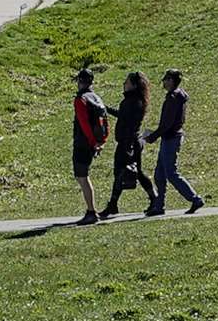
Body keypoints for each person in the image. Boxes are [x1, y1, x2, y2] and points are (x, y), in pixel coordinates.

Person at [145, 69, 204, 216]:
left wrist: (153, 136)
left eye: (165, 79)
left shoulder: (173, 98)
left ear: (171, 80)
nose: (163, 82)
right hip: (170, 137)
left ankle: (195, 199)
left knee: (171, 173)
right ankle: (159, 205)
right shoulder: (177, 96)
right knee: (159, 173)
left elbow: (167, 124)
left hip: (170, 138)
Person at [101, 71, 150, 217]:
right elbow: (123, 116)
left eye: (127, 82)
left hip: (128, 142)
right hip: (130, 141)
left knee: (122, 173)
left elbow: (125, 119)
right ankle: (153, 198)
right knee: (134, 173)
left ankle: (113, 205)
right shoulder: (134, 100)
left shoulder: (133, 102)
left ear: (134, 85)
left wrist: (105, 109)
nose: (124, 84)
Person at [70, 67, 108, 224]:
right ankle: (91, 210)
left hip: (83, 143)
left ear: (80, 81)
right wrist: (101, 141)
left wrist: (92, 143)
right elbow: (105, 121)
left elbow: (85, 124)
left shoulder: (81, 99)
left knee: (82, 177)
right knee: (83, 177)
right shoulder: (96, 98)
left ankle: (91, 211)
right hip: (93, 142)